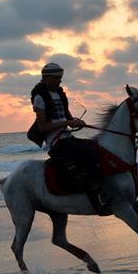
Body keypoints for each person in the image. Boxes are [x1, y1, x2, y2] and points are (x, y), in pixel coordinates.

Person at [29, 62, 109, 214]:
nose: (60, 81)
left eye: (61, 77)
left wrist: (76, 122)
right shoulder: (39, 97)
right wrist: (67, 122)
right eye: (57, 78)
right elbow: (43, 127)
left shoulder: (59, 93)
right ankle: (96, 194)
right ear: (47, 78)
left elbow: (67, 118)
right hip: (56, 141)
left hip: (67, 136)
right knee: (88, 152)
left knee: (96, 147)